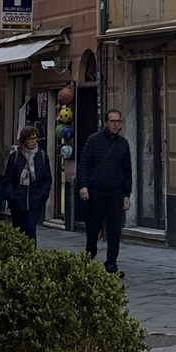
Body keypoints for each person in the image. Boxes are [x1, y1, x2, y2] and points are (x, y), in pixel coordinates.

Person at [77, 107, 132, 274]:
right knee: (93, 227)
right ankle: (90, 252)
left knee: (115, 229)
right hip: (96, 192)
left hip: (115, 193)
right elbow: (84, 163)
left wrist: (126, 194)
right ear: (106, 123)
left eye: (118, 121)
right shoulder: (94, 140)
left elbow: (127, 170)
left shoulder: (123, 144)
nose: (116, 124)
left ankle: (111, 263)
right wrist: (83, 185)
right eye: (112, 121)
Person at [0, 125, 52, 240]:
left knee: (30, 230)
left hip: (35, 201)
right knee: (18, 231)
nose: (34, 141)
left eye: (35, 138)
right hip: (18, 201)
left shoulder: (42, 156)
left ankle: (31, 255)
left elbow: (47, 179)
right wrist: (12, 196)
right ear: (24, 140)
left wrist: (42, 196)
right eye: (31, 139)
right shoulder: (16, 157)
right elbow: (8, 179)